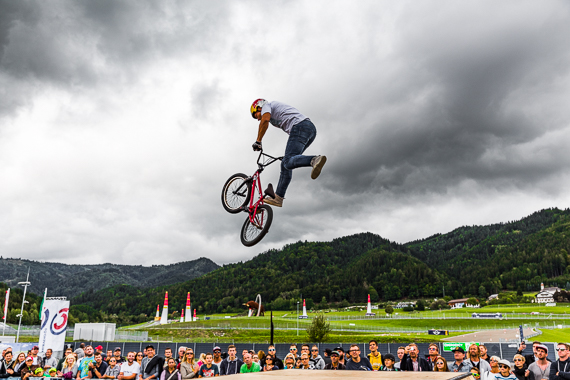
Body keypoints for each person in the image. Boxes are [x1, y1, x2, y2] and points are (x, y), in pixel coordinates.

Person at [250, 99, 327, 208]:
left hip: (300, 126)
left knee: (287, 161)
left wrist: (258, 141)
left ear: (259, 107)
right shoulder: (273, 113)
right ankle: (278, 198)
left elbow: (264, 120)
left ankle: (314, 160)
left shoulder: (267, 106)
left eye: (255, 115)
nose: (258, 118)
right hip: (310, 130)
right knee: (286, 164)